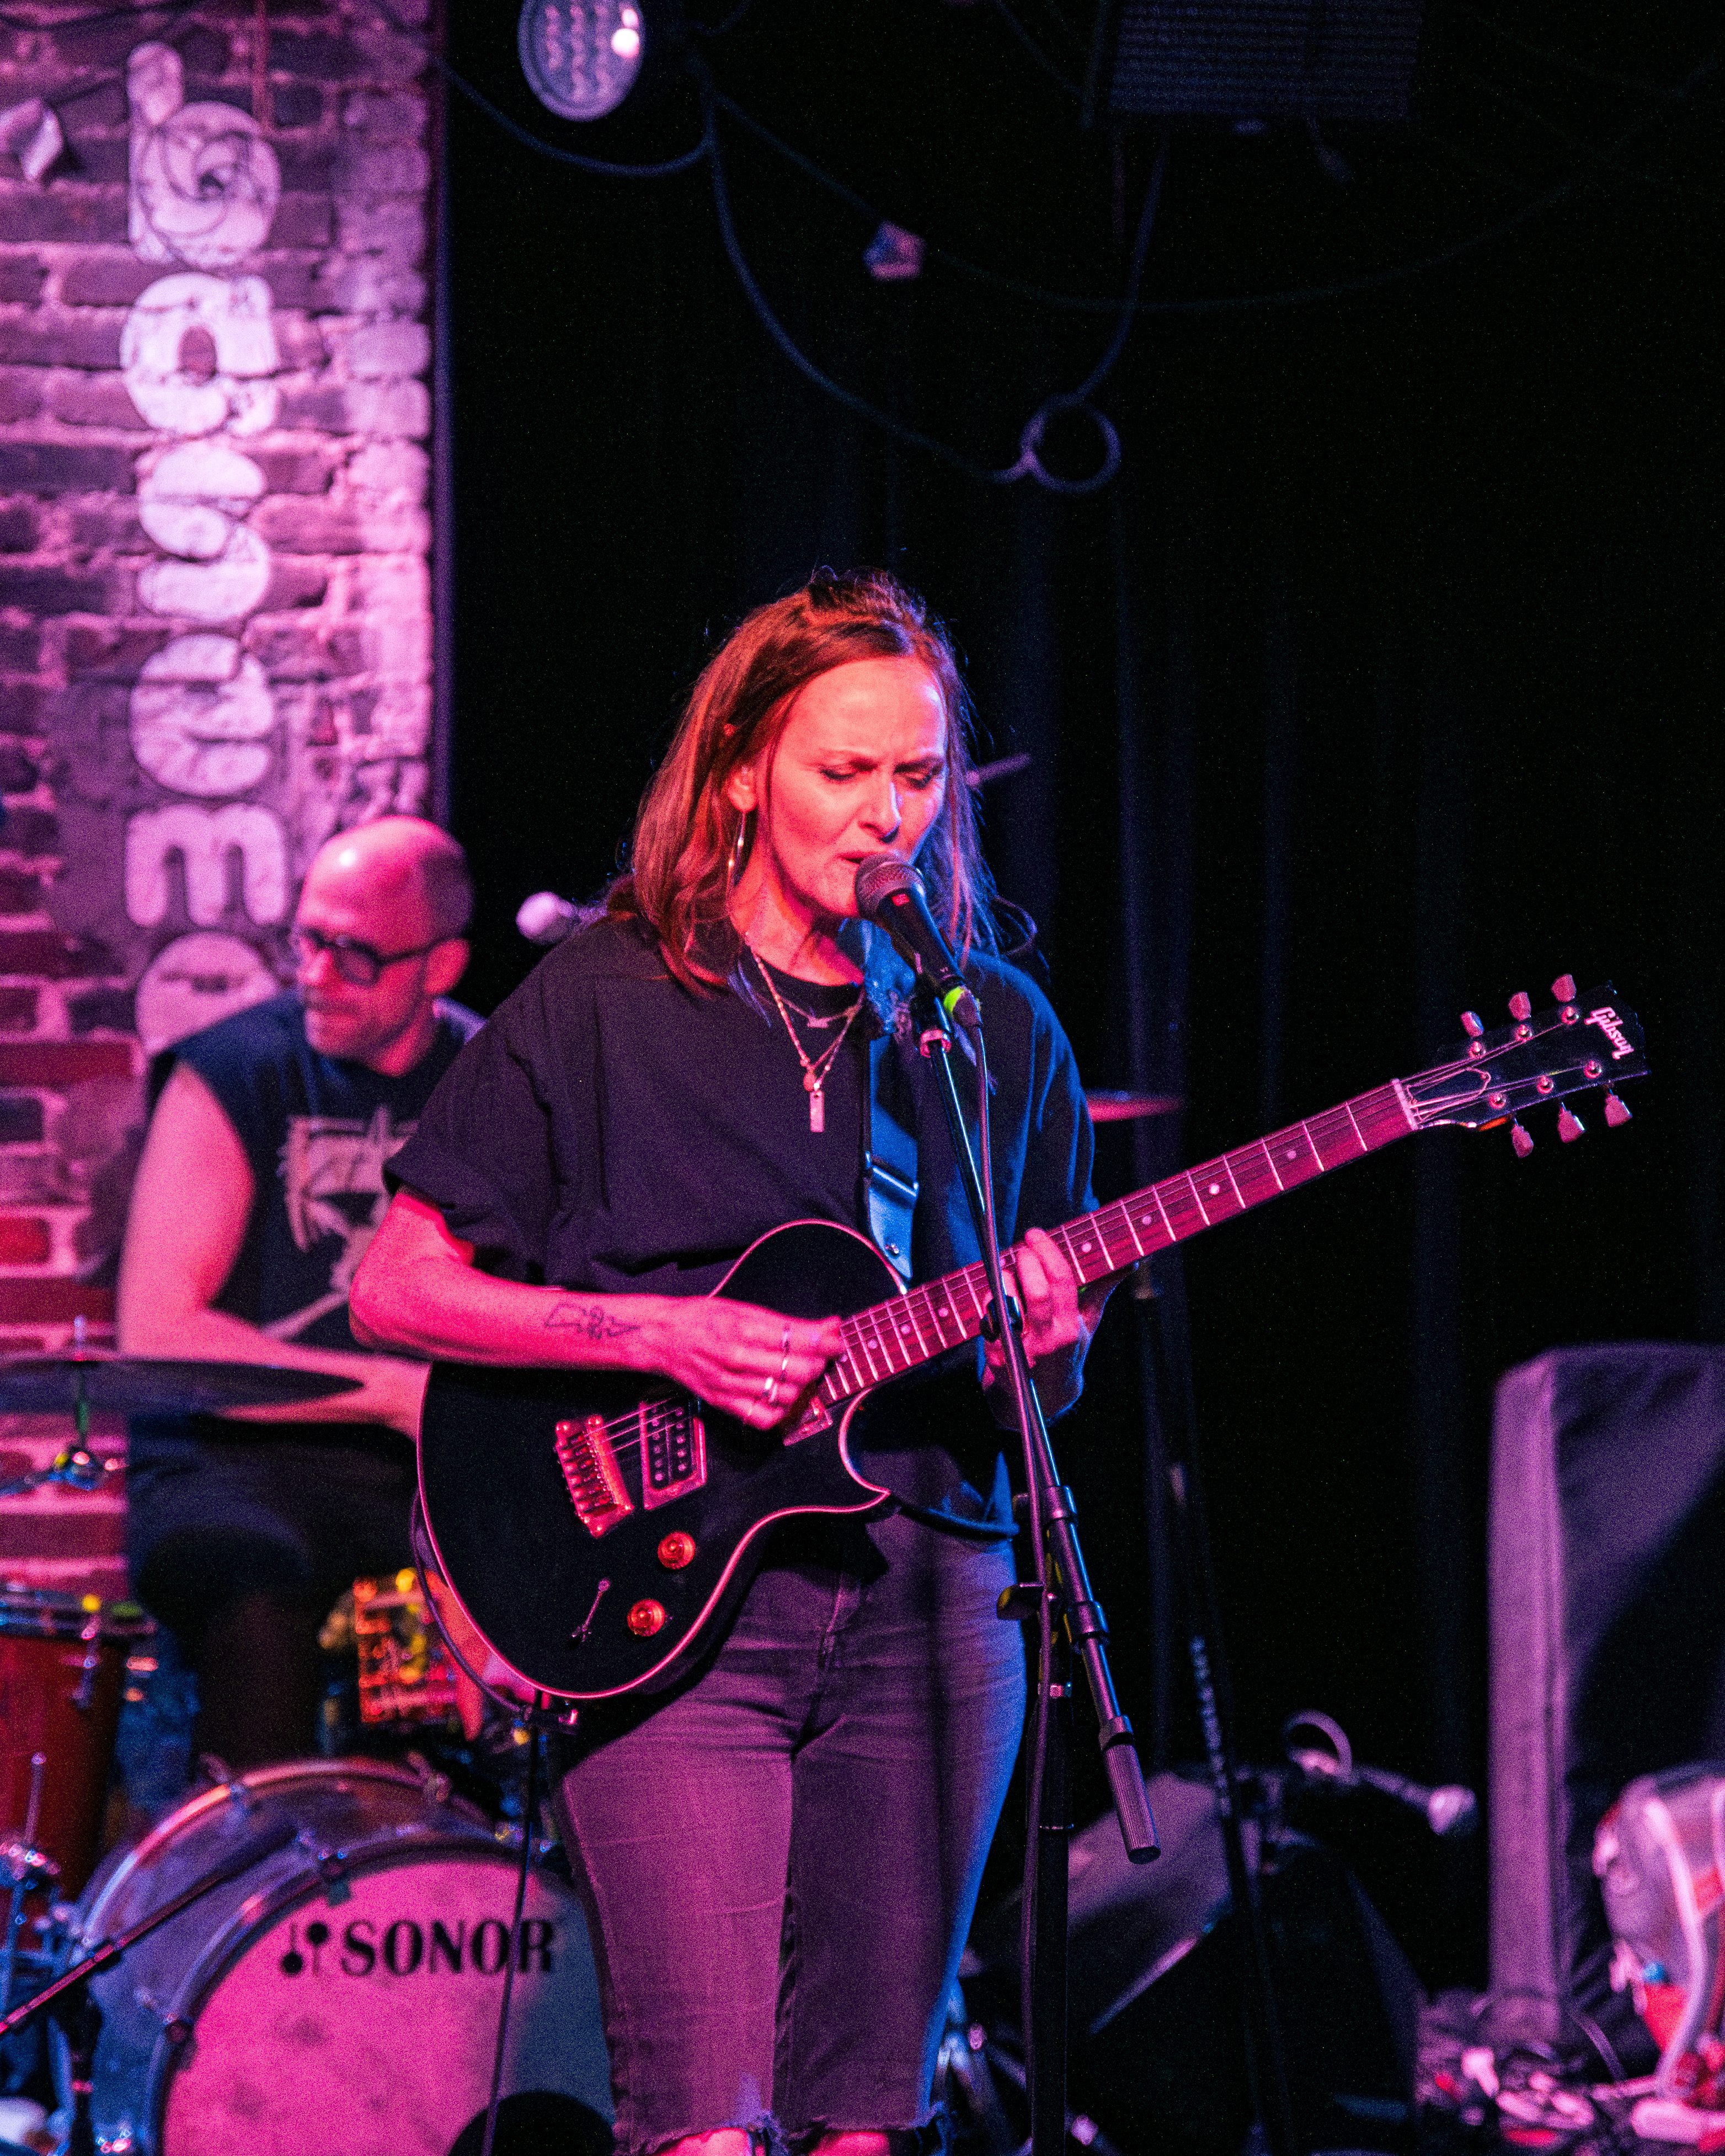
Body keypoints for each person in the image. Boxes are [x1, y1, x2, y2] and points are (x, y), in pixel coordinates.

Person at [350, 570, 1115, 2156]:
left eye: (914, 778)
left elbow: (1035, 1390)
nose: (881, 818)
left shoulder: (992, 1032)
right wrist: (658, 1331)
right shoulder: (609, 997)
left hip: (934, 1599)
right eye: (843, 774)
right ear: (748, 765)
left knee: (863, 2122)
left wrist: (1050, 1344)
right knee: (703, 2123)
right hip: (673, 1607)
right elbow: (398, 1282)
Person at [118, 815, 480, 1769]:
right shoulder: (233, 1069)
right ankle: (249, 1884)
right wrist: (392, 1393)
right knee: (260, 1598)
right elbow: (162, 1331)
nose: (314, 973)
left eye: (353, 954)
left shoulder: (490, 1085)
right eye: (307, 940)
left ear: (438, 969)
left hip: (408, 1485)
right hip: (227, 1466)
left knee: (437, 1669)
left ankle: (423, 1887)